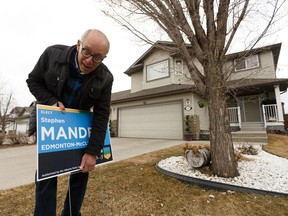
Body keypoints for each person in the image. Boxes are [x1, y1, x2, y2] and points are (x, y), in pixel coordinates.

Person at [26, 29, 113, 216]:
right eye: (87, 52)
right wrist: (51, 101)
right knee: (46, 176)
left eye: (97, 57)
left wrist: (92, 151)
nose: (90, 60)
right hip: (54, 127)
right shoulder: (52, 54)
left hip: (80, 130)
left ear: (104, 58)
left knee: (81, 174)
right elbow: (33, 81)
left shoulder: (106, 78)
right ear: (79, 44)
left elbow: (101, 114)